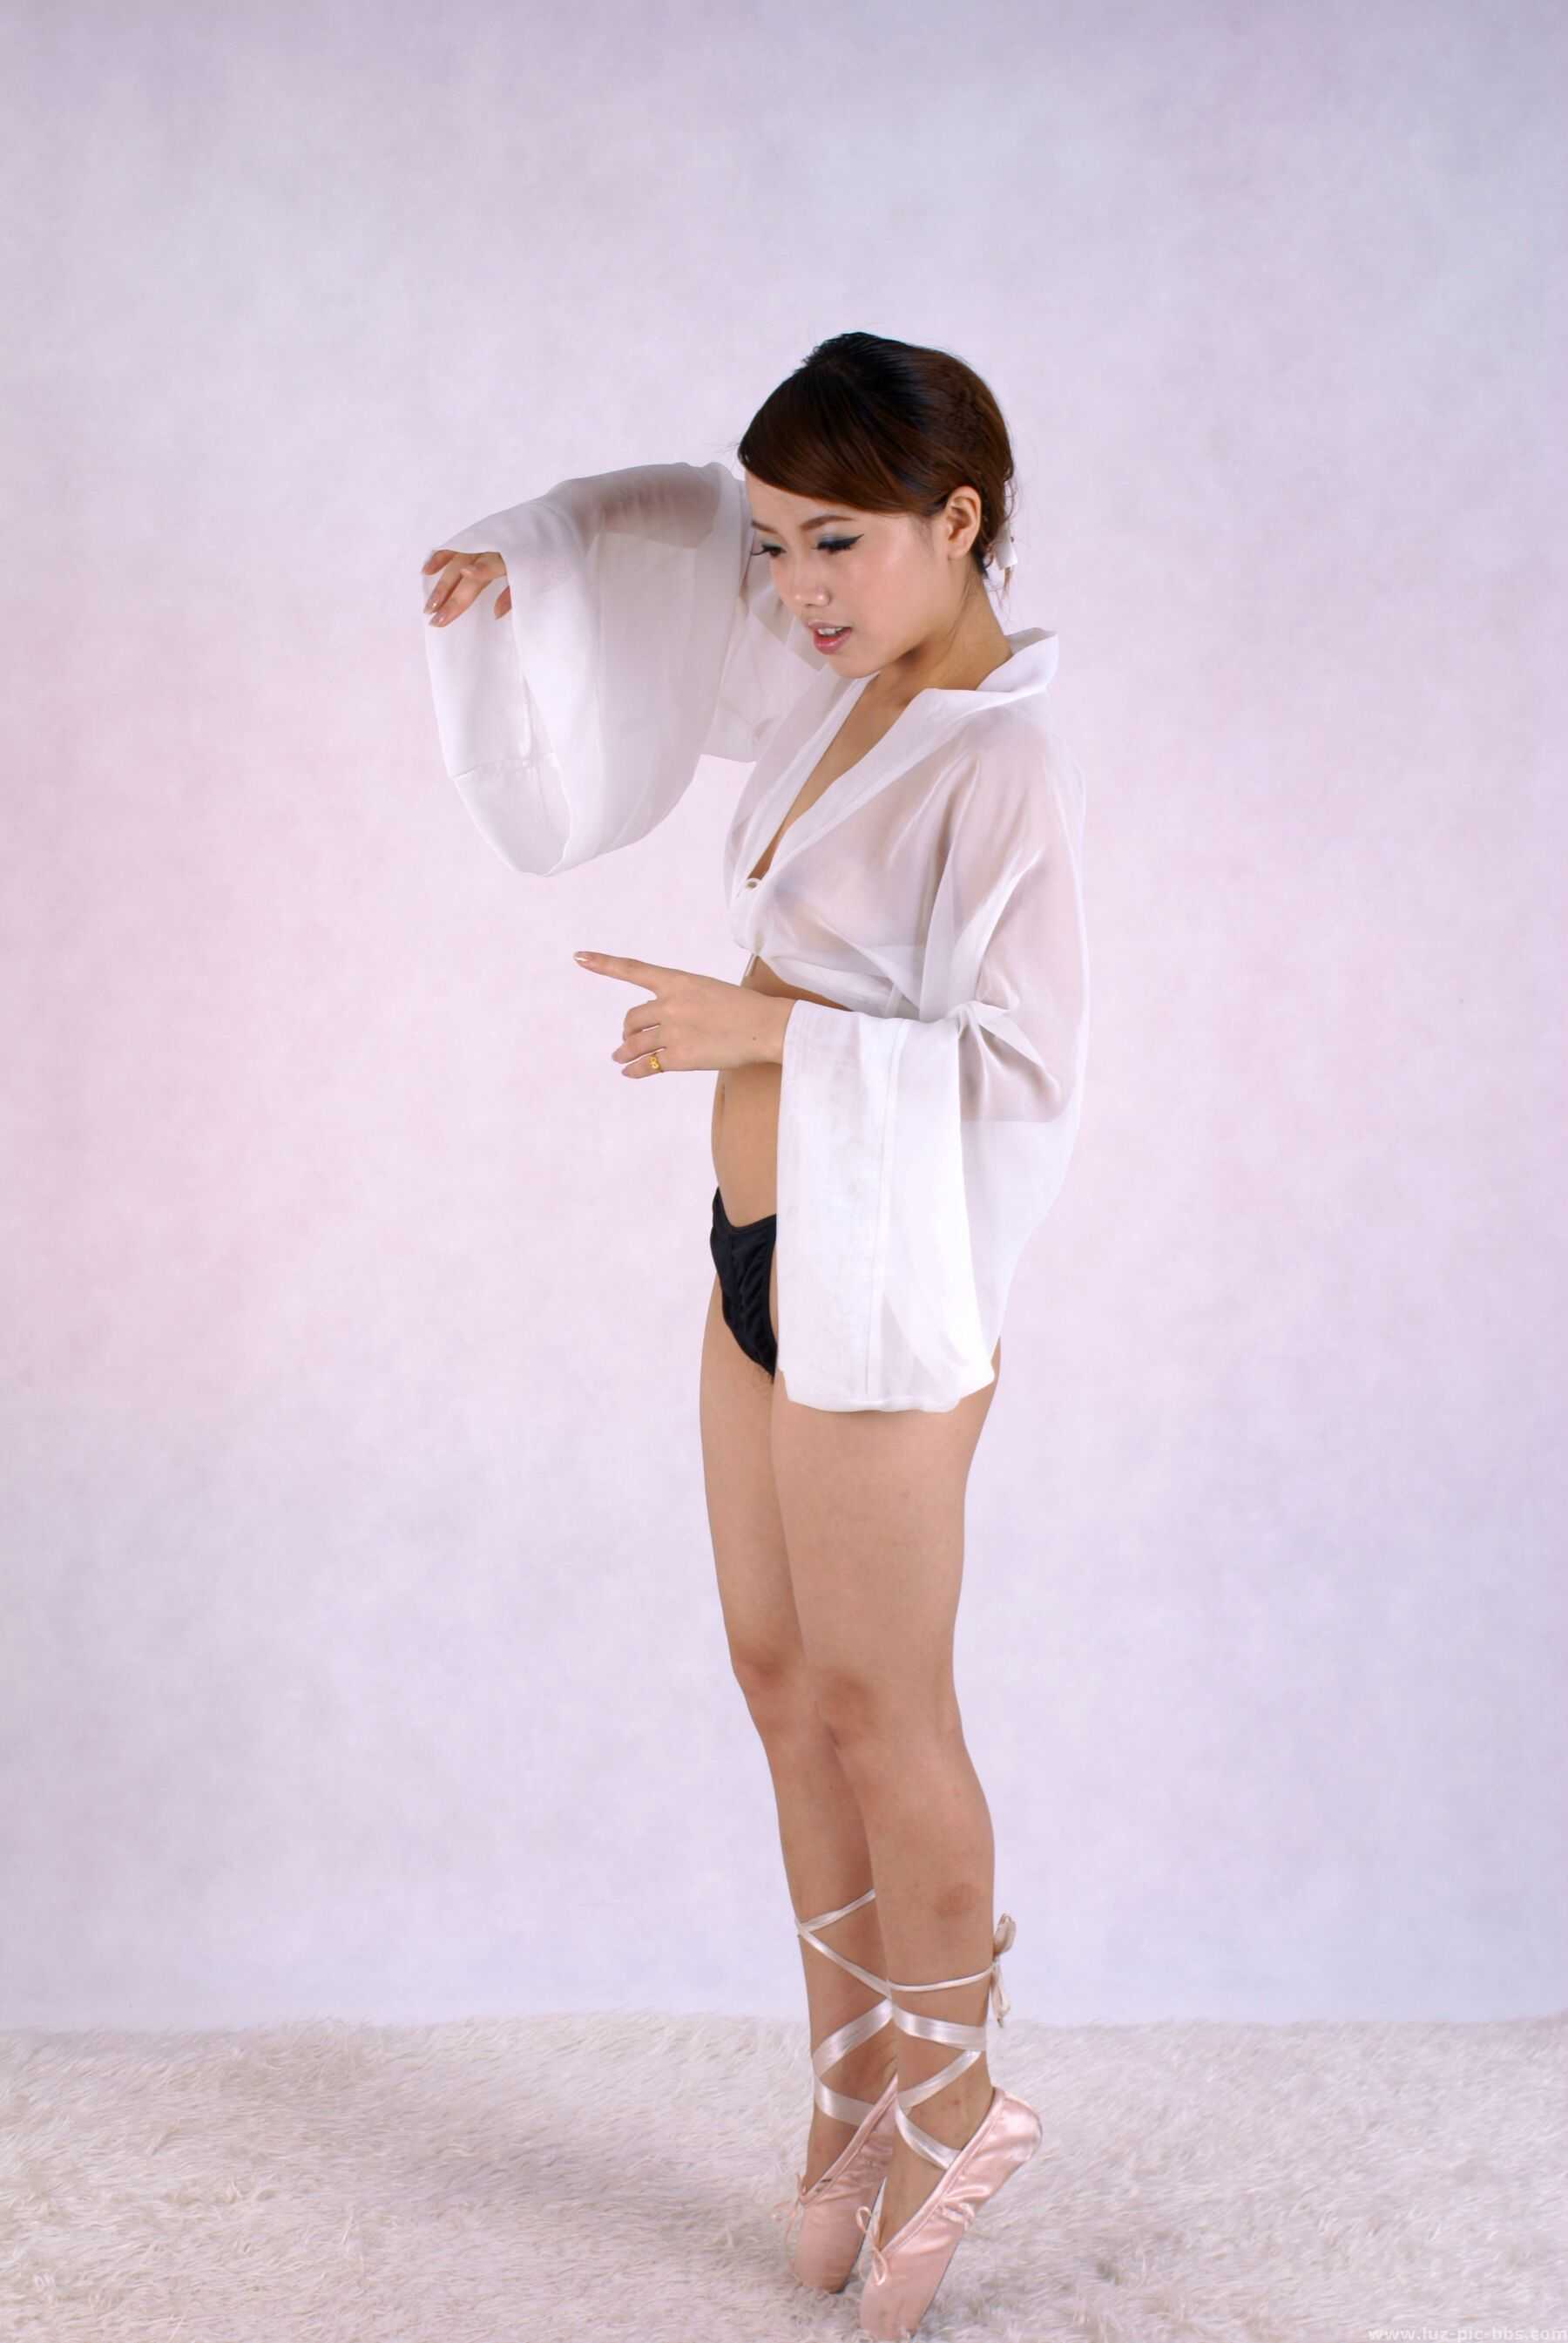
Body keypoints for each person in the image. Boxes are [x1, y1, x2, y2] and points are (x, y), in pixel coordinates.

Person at [416, 330, 1089, 2340]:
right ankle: (847, 2082)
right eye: (784, 545)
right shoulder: (842, 675)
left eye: (837, 543)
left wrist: (757, 1025)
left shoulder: (997, 757)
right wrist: (534, 555)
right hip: (758, 1250)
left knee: (890, 1706)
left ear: (957, 520)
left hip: (889, 1287)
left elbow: (1028, 1071)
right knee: (781, 1678)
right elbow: (685, 522)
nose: (792, 585)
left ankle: (959, 2104)